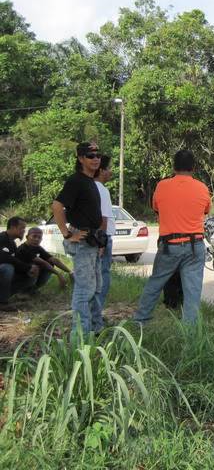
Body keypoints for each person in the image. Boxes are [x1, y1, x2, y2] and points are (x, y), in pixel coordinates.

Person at [134, 150, 211, 325]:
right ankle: (189, 331)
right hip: (195, 245)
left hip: (169, 246)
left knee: (155, 284)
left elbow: (157, 208)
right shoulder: (202, 188)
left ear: (173, 166)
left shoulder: (162, 186)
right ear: (194, 167)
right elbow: (205, 210)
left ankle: (140, 321)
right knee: (192, 291)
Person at [52, 142, 105, 334]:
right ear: (80, 158)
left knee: (97, 287)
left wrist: (100, 242)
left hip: (93, 241)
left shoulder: (90, 181)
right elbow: (57, 206)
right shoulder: (76, 181)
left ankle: (96, 329)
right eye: (90, 156)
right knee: (85, 290)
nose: (96, 159)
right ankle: (80, 336)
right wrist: (67, 234)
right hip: (82, 243)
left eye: (98, 155)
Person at [0, 217, 38, 312]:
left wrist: (28, 270)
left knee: (31, 277)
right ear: (13, 227)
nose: (24, 231)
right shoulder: (1, 238)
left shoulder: (12, 243)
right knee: (8, 268)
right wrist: (27, 267)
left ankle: (4, 296)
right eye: (22, 228)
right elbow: (4, 258)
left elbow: (16, 261)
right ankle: (2, 302)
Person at [94, 155, 114, 310]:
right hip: (102, 237)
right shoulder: (102, 190)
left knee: (94, 275)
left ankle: (93, 312)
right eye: (108, 168)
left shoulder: (88, 186)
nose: (111, 172)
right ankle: (97, 313)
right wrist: (102, 242)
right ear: (101, 170)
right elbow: (103, 218)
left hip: (94, 237)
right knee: (103, 275)